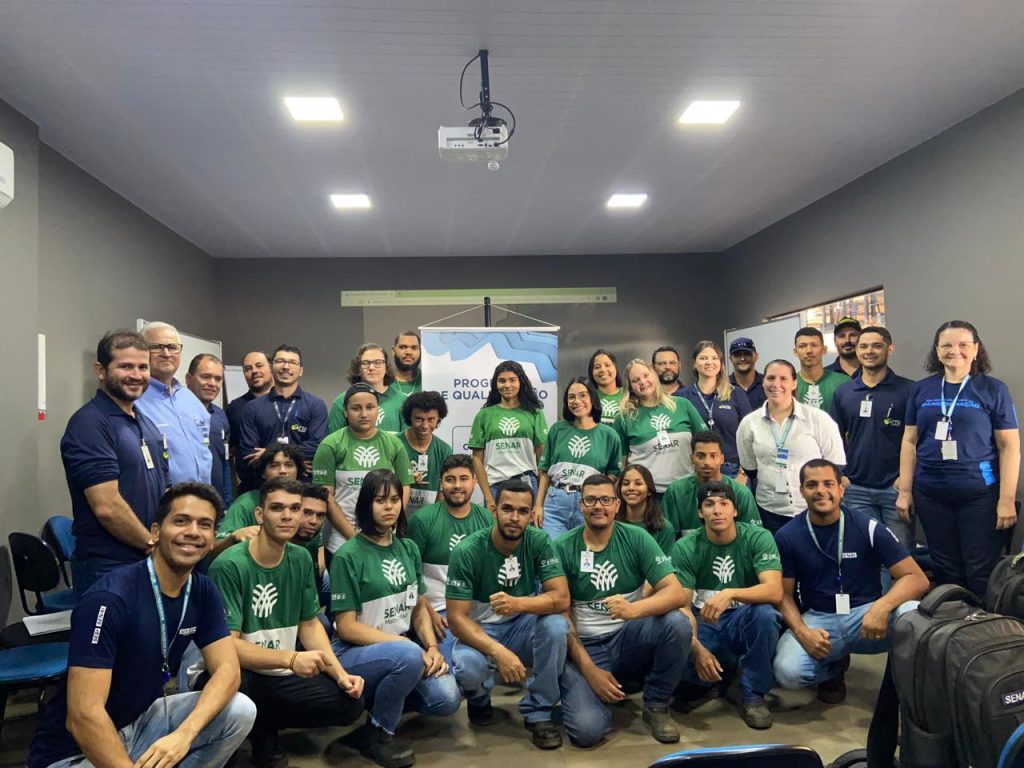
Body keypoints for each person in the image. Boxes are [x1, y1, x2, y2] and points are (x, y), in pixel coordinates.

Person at [28, 483, 256, 768]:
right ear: (156, 533)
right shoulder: (110, 598)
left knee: (239, 710)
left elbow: (228, 670)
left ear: (212, 539)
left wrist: (184, 735)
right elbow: (83, 717)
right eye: (181, 521)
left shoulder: (201, 590)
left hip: (140, 723)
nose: (193, 532)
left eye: (205, 525)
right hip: (74, 752)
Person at [207, 477, 365, 768]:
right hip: (237, 669)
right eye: (277, 508)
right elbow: (226, 646)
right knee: (241, 684)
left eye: (295, 509)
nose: (287, 516)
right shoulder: (229, 565)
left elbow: (310, 625)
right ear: (260, 514)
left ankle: (265, 723)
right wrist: (291, 659)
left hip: (279, 670)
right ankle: (258, 735)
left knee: (349, 704)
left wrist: (340, 673)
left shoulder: (301, 558)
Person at [332, 469, 462, 768]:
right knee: (408, 656)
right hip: (354, 651)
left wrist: (431, 647)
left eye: (394, 500)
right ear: (366, 505)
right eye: (380, 500)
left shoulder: (408, 548)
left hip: (402, 649)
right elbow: (347, 627)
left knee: (446, 699)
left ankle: (383, 699)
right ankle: (378, 733)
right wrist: (409, 648)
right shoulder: (348, 555)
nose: (389, 507)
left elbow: (418, 607)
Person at [774, 460, 928, 703]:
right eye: (812, 485)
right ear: (802, 491)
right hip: (820, 619)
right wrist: (803, 632)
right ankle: (833, 669)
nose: (821, 491)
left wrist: (882, 606)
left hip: (867, 616)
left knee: (913, 614)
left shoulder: (868, 527)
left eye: (828, 484)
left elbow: (916, 578)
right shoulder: (787, 536)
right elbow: (783, 595)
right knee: (788, 672)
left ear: (841, 489)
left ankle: (902, 691)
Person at [556, 474, 691, 747]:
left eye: (606, 500)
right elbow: (560, 615)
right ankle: (587, 687)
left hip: (628, 636)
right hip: (585, 645)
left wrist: (634, 609)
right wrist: (589, 669)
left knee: (678, 623)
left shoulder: (636, 537)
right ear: (581, 505)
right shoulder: (562, 547)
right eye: (591, 500)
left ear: (617, 505)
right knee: (587, 732)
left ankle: (656, 704)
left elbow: (676, 592)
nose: (599, 506)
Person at [896, 320, 1020, 597]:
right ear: (937, 351)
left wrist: (1006, 499)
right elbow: (909, 441)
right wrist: (905, 491)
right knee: (944, 567)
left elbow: (1009, 447)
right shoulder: (921, 389)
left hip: (979, 494)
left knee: (980, 568)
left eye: (963, 344)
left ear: (976, 349)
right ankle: (953, 619)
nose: (955, 351)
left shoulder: (992, 389)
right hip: (930, 494)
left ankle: (984, 621)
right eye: (947, 345)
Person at [446, 479, 570, 749]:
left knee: (557, 626)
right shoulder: (468, 551)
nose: (514, 518)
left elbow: (561, 598)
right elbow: (456, 619)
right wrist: (498, 652)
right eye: (507, 509)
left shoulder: (539, 541)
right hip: (481, 628)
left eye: (523, 511)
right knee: (467, 667)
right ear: (494, 510)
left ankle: (539, 711)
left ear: (531, 515)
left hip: (521, 624)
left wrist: (518, 604)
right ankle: (479, 700)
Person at [61, 329, 169, 594]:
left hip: (146, 559)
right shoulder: (89, 424)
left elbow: (163, 488)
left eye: (143, 367)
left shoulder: (144, 423)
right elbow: (107, 507)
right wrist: (154, 545)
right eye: (126, 366)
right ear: (101, 370)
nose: (136, 375)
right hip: (107, 566)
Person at [672, 481, 782, 729]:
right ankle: (723, 673)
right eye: (709, 504)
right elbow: (682, 605)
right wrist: (697, 649)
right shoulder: (686, 546)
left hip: (743, 617)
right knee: (680, 674)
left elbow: (775, 590)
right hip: (704, 619)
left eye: (724, 503)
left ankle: (753, 694)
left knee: (766, 615)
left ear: (735, 510)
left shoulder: (758, 537)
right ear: (700, 512)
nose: (717, 510)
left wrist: (731, 593)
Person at [736, 360, 846, 535]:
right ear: (763, 382)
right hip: (769, 509)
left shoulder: (818, 419)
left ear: (794, 383)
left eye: (783, 379)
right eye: (770, 378)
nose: (776, 384)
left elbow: (836, 465)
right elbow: (750, 468)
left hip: (813, 508)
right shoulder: (749, 424)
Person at [830, 326, 915, 551]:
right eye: (864, 346)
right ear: (857, 351)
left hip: (895, 488)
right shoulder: (844, 392)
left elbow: (917, 440)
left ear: (889, 349)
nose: (869, 351)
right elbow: (834, 438)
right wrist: (841, 475)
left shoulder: (909, 390)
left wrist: (905, 481)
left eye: (877, 346)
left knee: (901, 554)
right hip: (855, 488)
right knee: (865, 553)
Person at [406, 454, 493, 665]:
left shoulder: (486, 519)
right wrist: (429, 613)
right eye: (450, 479)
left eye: (464, 479)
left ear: (474, 481)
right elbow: (410, 577)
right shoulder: (423, 520)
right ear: (440, 483)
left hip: (480, 612)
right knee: (457, 667)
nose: (457, 486)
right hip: (440, 613)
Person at [313, 383, 413, 558]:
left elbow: (404, 488)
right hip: (341, 542)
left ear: (378, 410)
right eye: (356, 408)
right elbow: (325, 496)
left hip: (384, 538)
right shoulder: (330, 445)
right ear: (345, 412)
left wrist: (388, 525)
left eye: (370, 407)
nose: (364, 414)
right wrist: (355, 538)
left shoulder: (394, 444)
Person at [535, 377, 624, 539]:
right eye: (571, 397)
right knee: (553, 551)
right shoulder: (557, 430)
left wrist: (594, 491)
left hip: (590, 504)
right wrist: (538, 506)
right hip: (556, 503)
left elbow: (614, 473)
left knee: (586, 550)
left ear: (592, 398)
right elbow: (545, 471)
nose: (576, 401)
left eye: (583, 395)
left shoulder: (609, 435)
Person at [612, 359, 707, 497]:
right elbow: (621, 461)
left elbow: (705, 443)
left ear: (654, 375)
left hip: (687, 488)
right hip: (649, 494)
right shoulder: (623, 418)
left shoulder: (682, 405)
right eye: (635, 380)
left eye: (646, 375)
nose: (642, 382)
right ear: (630, 387)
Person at [136, 321, 212, 485]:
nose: (166, 353)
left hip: (202, 495)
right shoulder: (135, 400)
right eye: (157, 347)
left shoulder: (191, 399)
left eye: (172, 347)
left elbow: (204, 448)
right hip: (164, 499)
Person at [469, 360, 549, 510]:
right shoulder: (484, 415)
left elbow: (542, 455)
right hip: (495, 484)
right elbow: (477, 459)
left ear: (521, 382)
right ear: (495, 384)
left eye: (512, 380)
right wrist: (488, 497)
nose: (507, 385)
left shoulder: (535, 413)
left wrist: (540, 500)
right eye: (502, 381)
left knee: (528, 525)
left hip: (527, 482)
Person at [239, 344, 328, 478]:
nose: (286, 366)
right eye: (280, 361)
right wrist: (296, 461)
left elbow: (318, 446)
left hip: (303, 483)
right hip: (264, 485)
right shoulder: (252, 408)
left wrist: (268, 453)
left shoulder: (316, 405)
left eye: (293, 362)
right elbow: (249, 452)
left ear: (301, 370)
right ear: (271, 367)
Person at [212, 442, 306, 558]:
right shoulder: (246, 502)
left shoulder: (308, 501)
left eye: (289, 465)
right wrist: (233, 537)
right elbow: (214, 549)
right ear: (263, 473)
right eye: (274, 465)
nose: (282, 471)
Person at [662, 431, 761, 538]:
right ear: (692, 458)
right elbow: (667, 536)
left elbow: (754, 536)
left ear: (722, 458)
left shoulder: (741, 493)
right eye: (700, 456)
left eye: (713, 456)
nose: (707, 462)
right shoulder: (676, 491)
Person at [677, 341, 752, 479]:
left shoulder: (736, 393)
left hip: (732, 469)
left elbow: (750, 436)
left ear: (721, 363)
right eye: (703, 358)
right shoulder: (681, 397)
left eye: (714, 358)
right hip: (695, 469)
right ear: (694, 362)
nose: (709, 362)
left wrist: (743, 473)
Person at [186, 353, 233, 505]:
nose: (212, 383)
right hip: (187, 501)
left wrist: (227, 502)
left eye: (218, 379)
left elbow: (225, 461)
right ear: (188, 379)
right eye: (205, 377)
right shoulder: (177, 414)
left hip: (216, 501)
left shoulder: (220, 416)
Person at [398, 390, 453, 515]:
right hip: (397, 514)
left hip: (428, 517)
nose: (425, 425)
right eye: (419, 419)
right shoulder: (394, 444)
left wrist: (434, 518)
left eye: (431, 419)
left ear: (438, 419)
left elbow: (443, 489)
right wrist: (404, 478)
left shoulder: (444, 450)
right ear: (409, 418)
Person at [329, 343, 404, 433]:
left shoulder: (402, 400)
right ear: (358, 368)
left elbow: (408, 439)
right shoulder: (341, 401)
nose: (371, 367)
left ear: (386, 366)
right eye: (366, 363)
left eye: (378, 362)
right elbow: (335, 439)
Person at [225, 351, 273, 493]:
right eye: (248, 368)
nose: (254, 371)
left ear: (271, 367)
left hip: (285, 486)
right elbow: (232, 448)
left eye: (259, 366)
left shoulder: (287, 403)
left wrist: (270, 453)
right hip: (249, 487)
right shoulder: (235, 408)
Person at [615, 464, 676, 554]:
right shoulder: (611, 522)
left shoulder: (664, 528)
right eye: (626, 483)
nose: (631, 488)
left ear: (649, 491)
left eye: (638, 483)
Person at [794, 327, 850, 413]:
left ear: (824, 350)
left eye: (814, 345)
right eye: (802, 346)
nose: (809, 351)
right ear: (795, 352)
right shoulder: (789, 385)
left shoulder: (844, 382)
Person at [729, 338, 766, 411]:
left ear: (756, 356)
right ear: (730, 359)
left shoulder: (768, 384)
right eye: (737, 355)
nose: (742, 359)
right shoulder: (723, 386)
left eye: (747, 354)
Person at [588, 349, 624, 425]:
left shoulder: (628, 395)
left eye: (607, 365)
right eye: (597, 367)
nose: (602, 369)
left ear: (615, 368)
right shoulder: (588, 397)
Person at [391, 331, 423, 399]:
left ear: (420, 351)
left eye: (414, 348)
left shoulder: (427, 380)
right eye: (403, 347)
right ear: (393, 351)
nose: (408, 352)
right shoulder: (382, 381)